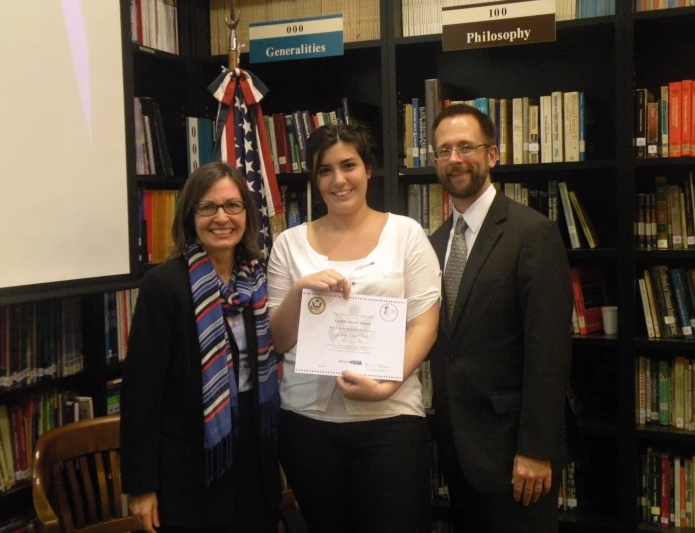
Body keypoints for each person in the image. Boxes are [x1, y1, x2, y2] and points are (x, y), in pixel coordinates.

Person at [266, 123, 441, 533]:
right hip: (307, 425)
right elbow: (276, 340)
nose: (338, 180)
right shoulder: (288, 244)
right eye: (325, 170)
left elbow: (424, 323)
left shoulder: (406, 234)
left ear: (368, 170)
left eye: (349, 165)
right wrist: (299, 291)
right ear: (314, 179)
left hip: (391, 421)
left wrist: (388, 382)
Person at [427, 104, 573, 532]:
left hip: (515, 455)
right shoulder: (433, 244)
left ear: (492, 155)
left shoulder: (532, 233)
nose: (454, 159)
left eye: (466, 147)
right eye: (444, 150)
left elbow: (549, 351)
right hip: (456, 450)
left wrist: (536, 448)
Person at [120, 162, 282, 533]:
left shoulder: (257, 280)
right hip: (189, 469)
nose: (221, 217)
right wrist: (142, 488)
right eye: (207, 207)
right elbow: (141, 396)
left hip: (253, 460)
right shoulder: (164, 285)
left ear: (247, 214)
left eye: (232, 206)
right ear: (190, 215)